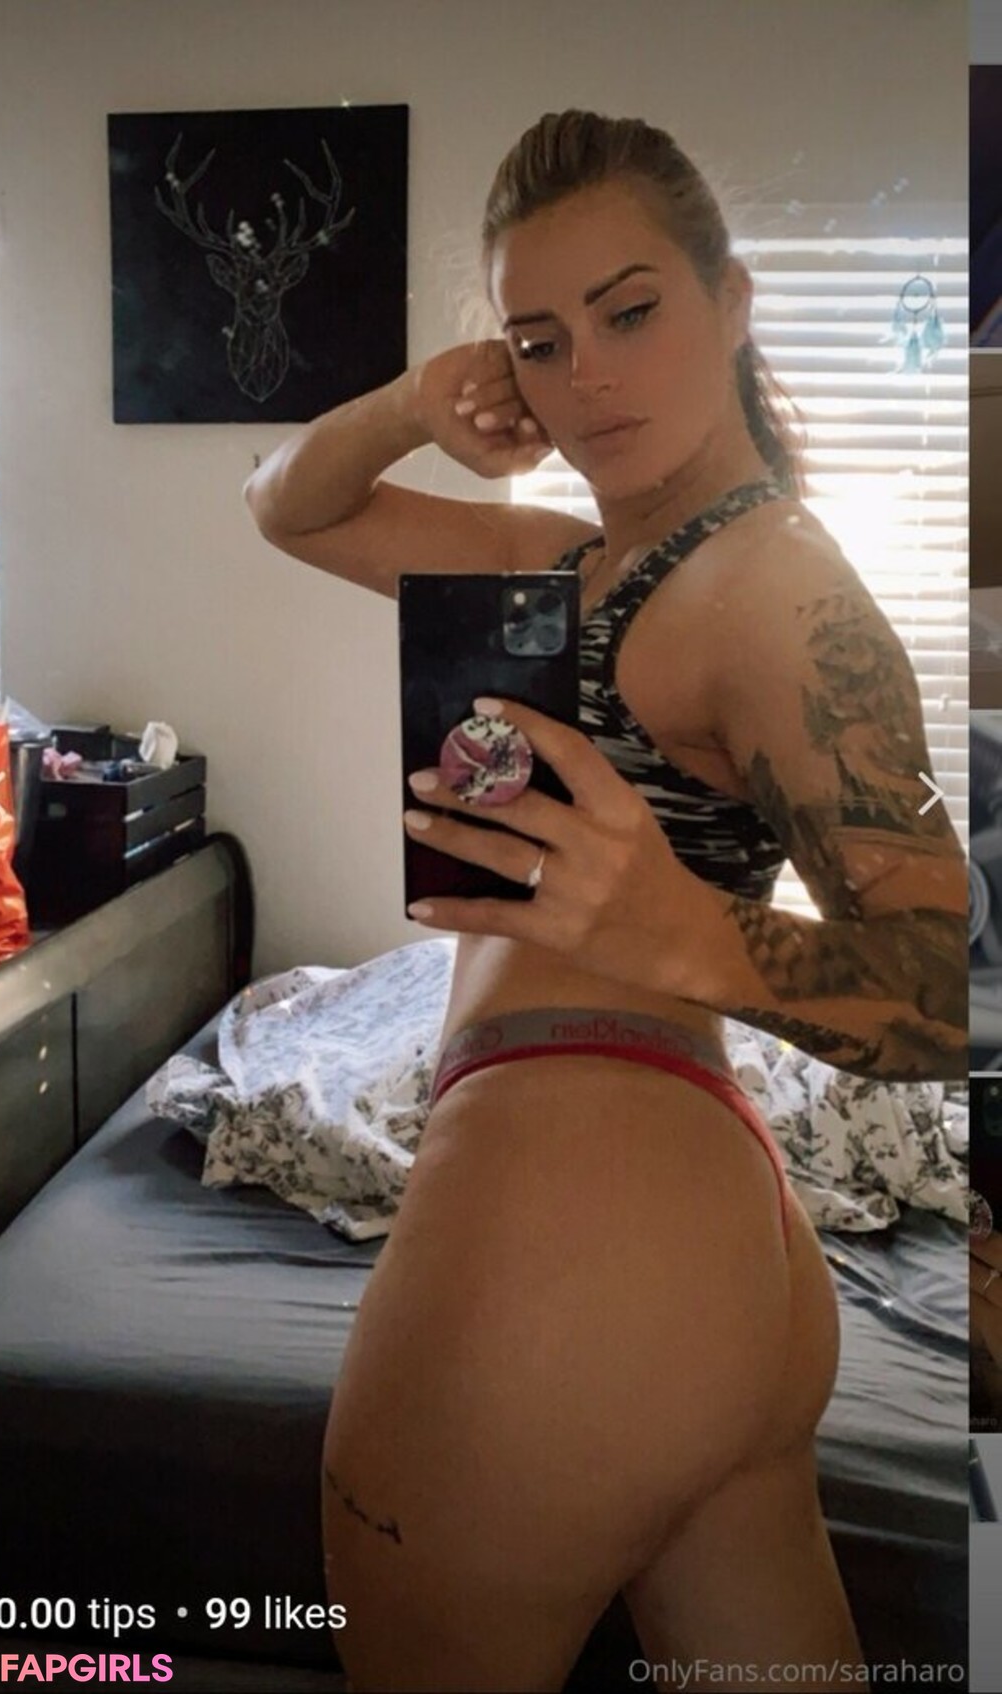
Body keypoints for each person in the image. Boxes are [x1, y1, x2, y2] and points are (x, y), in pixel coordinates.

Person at [245, 111, 966, 1694]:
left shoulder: (776, 588)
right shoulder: (585, 563)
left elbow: (946, 996)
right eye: (541, 340)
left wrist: (675, 928)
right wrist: (415, 404)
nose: (590, 376)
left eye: (632, 311)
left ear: (734, 298)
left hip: (563, 1253)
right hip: (700, 1243)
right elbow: (286, 505)